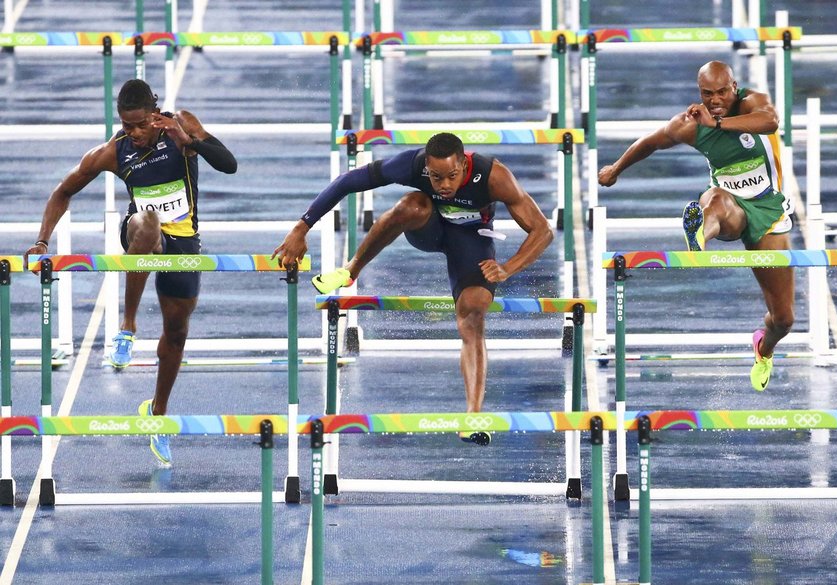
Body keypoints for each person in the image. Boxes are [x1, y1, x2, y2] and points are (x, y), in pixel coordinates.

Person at [273, 132, 553, 445]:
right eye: (435, 177)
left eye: (451, 176)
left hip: (472, 241)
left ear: (464, 164)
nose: (444, 185)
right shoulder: (411, 165)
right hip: (429, 229)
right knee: (410, 206)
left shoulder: (493, 176)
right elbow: (347, 182)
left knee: (473, 314)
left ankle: (472, 416)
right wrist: (301, 227)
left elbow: (542, 230)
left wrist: (507, 268)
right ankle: (351, 271)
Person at [24, 79, 237, 464]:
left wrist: (189, 142)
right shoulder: (114, 151)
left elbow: (229, 165)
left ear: (154, 113)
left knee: (176, 333)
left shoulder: (181, 124)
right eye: (126, 126)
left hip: (185, 240)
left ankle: (157, 413)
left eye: (140, 125)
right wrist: (42, 241)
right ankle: (127, 327)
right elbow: (62, 192)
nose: (134, 134)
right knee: (148, 222)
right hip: (140, 229)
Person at [597, 60, 795, 392]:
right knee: (715, 200)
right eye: (707, 94)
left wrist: (718, 122)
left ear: (734, 86)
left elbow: (770, 122)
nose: (715, 99)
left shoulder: (751, 102)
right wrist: (615, 169)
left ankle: (764, 348)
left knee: (784, 319)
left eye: (721, 92)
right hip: (731, 203)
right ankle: (700, 233)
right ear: (698, 92)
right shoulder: (690, 124)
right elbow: (651, 142)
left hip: (769, 209)